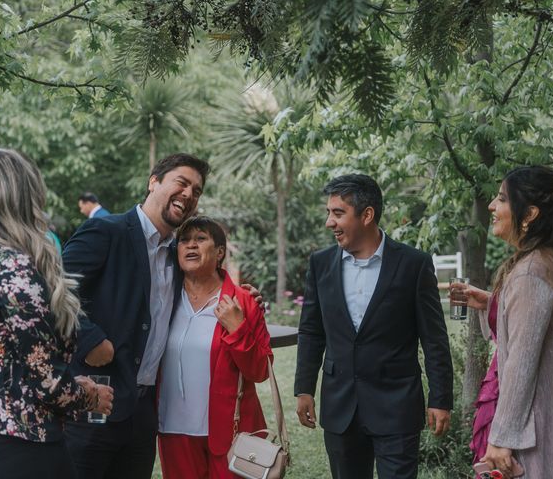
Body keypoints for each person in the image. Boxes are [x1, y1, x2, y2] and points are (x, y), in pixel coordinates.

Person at [62, 154, 261, 478]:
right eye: (181, 183)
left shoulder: (176, 253)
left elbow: (207, 282)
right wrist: (90, 338)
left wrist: (243, 296)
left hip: (144, 414)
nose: (188, 194)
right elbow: (53, 288)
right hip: (96, 397)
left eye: (196, 190)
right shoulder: (106, 230)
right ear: (153, 181)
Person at [0, 149, 113, 479]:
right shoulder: (15, 270)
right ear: (27, 196)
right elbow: (48, 383)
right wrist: (88, 395)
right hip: (16, 446)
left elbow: (1, 361)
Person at [294, 173, 454, 479]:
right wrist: (304, 388)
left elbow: (434, 338)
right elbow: (312, 331)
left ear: (367, 215)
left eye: (338, 213)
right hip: (340, 408)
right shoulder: (320, 264)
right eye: (329, 213)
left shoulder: (414, 264)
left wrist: (440, 399)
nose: (330, 222)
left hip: (397, 407)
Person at [451, 165, 553, 478]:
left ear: (528, 214)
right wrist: (491, 303)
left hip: (530, 435)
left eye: (501, 199)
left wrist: (502, 438)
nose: (491, 206)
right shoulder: (552, 262)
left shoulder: (531, 272)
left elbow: (520, 364)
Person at [157, 216, 272, 479]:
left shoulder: (243, 302)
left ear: (220, 252)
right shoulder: (162, 297)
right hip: (173, 429)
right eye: (184, 240)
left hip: (231, 433)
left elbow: (261, 371)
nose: (191, 246)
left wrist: (238, 329)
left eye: (200, 239)